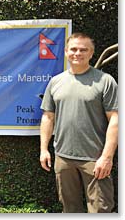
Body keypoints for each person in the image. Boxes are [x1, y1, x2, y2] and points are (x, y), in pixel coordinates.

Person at [39, 33, 118, 213]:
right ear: (66, 52)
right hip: (63, 158)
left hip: (95, 159)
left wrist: (107, 157)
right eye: (73, 49)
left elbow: (116, 119)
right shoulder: (56, 82)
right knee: (69, 209)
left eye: (83, 50)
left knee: (101, 210)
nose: (78, 53)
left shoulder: (105, 81)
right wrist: (44, 149)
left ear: (91, 54)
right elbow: (48, 117)